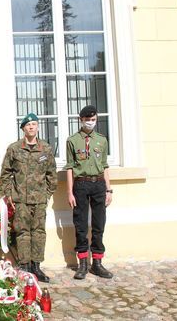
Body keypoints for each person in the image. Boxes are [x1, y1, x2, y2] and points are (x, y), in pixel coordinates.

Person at [0, 113, 57, 283]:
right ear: (23, 128)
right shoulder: (14, 149)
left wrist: (46, 194)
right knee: (22, 232)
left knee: (38, 233)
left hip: (39, 200)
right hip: (21, 200)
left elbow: (51, 175)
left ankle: (36, 266)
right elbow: (6, 173)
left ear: (38, 127)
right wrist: (8, 194)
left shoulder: (45, 149)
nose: (31, 127)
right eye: (28, 125)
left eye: (34, 124)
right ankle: (24, 266)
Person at [65, 105, 114, 280]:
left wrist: (109, 189)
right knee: (80, 225)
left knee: (99, 224)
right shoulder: (72, 140)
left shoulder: (102, 140)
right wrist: (69, 192)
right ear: (81, 120)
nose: (90, 123)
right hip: (81, 184)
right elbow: (70, 168)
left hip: (99, 184)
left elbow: (105, 166)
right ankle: (83, 263)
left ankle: (98, 263)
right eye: (87, 120)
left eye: (93, 120)